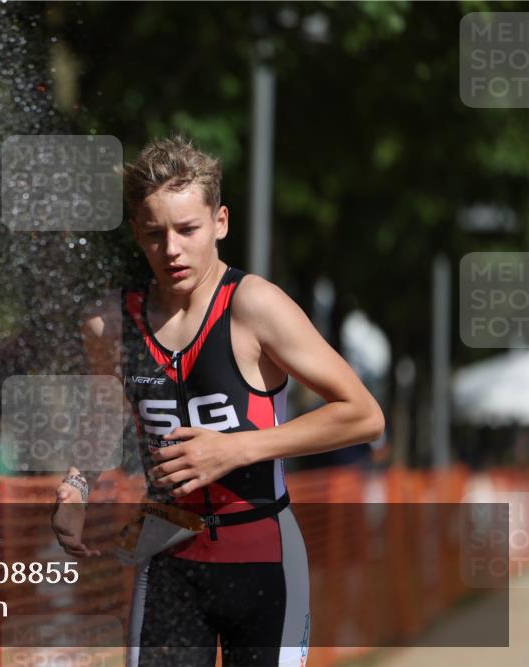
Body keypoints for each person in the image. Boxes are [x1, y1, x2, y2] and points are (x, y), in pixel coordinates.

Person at [51, 134, 384, 667]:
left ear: (220, 222)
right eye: (155, 233)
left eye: (188, 229)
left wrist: (236, 449)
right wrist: (76, 485)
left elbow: (364, 415)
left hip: (262, 556)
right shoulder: (107, 322)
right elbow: (106, 408)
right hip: (166, 559)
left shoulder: (254, 306)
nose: (172, 249)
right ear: (136, 232)